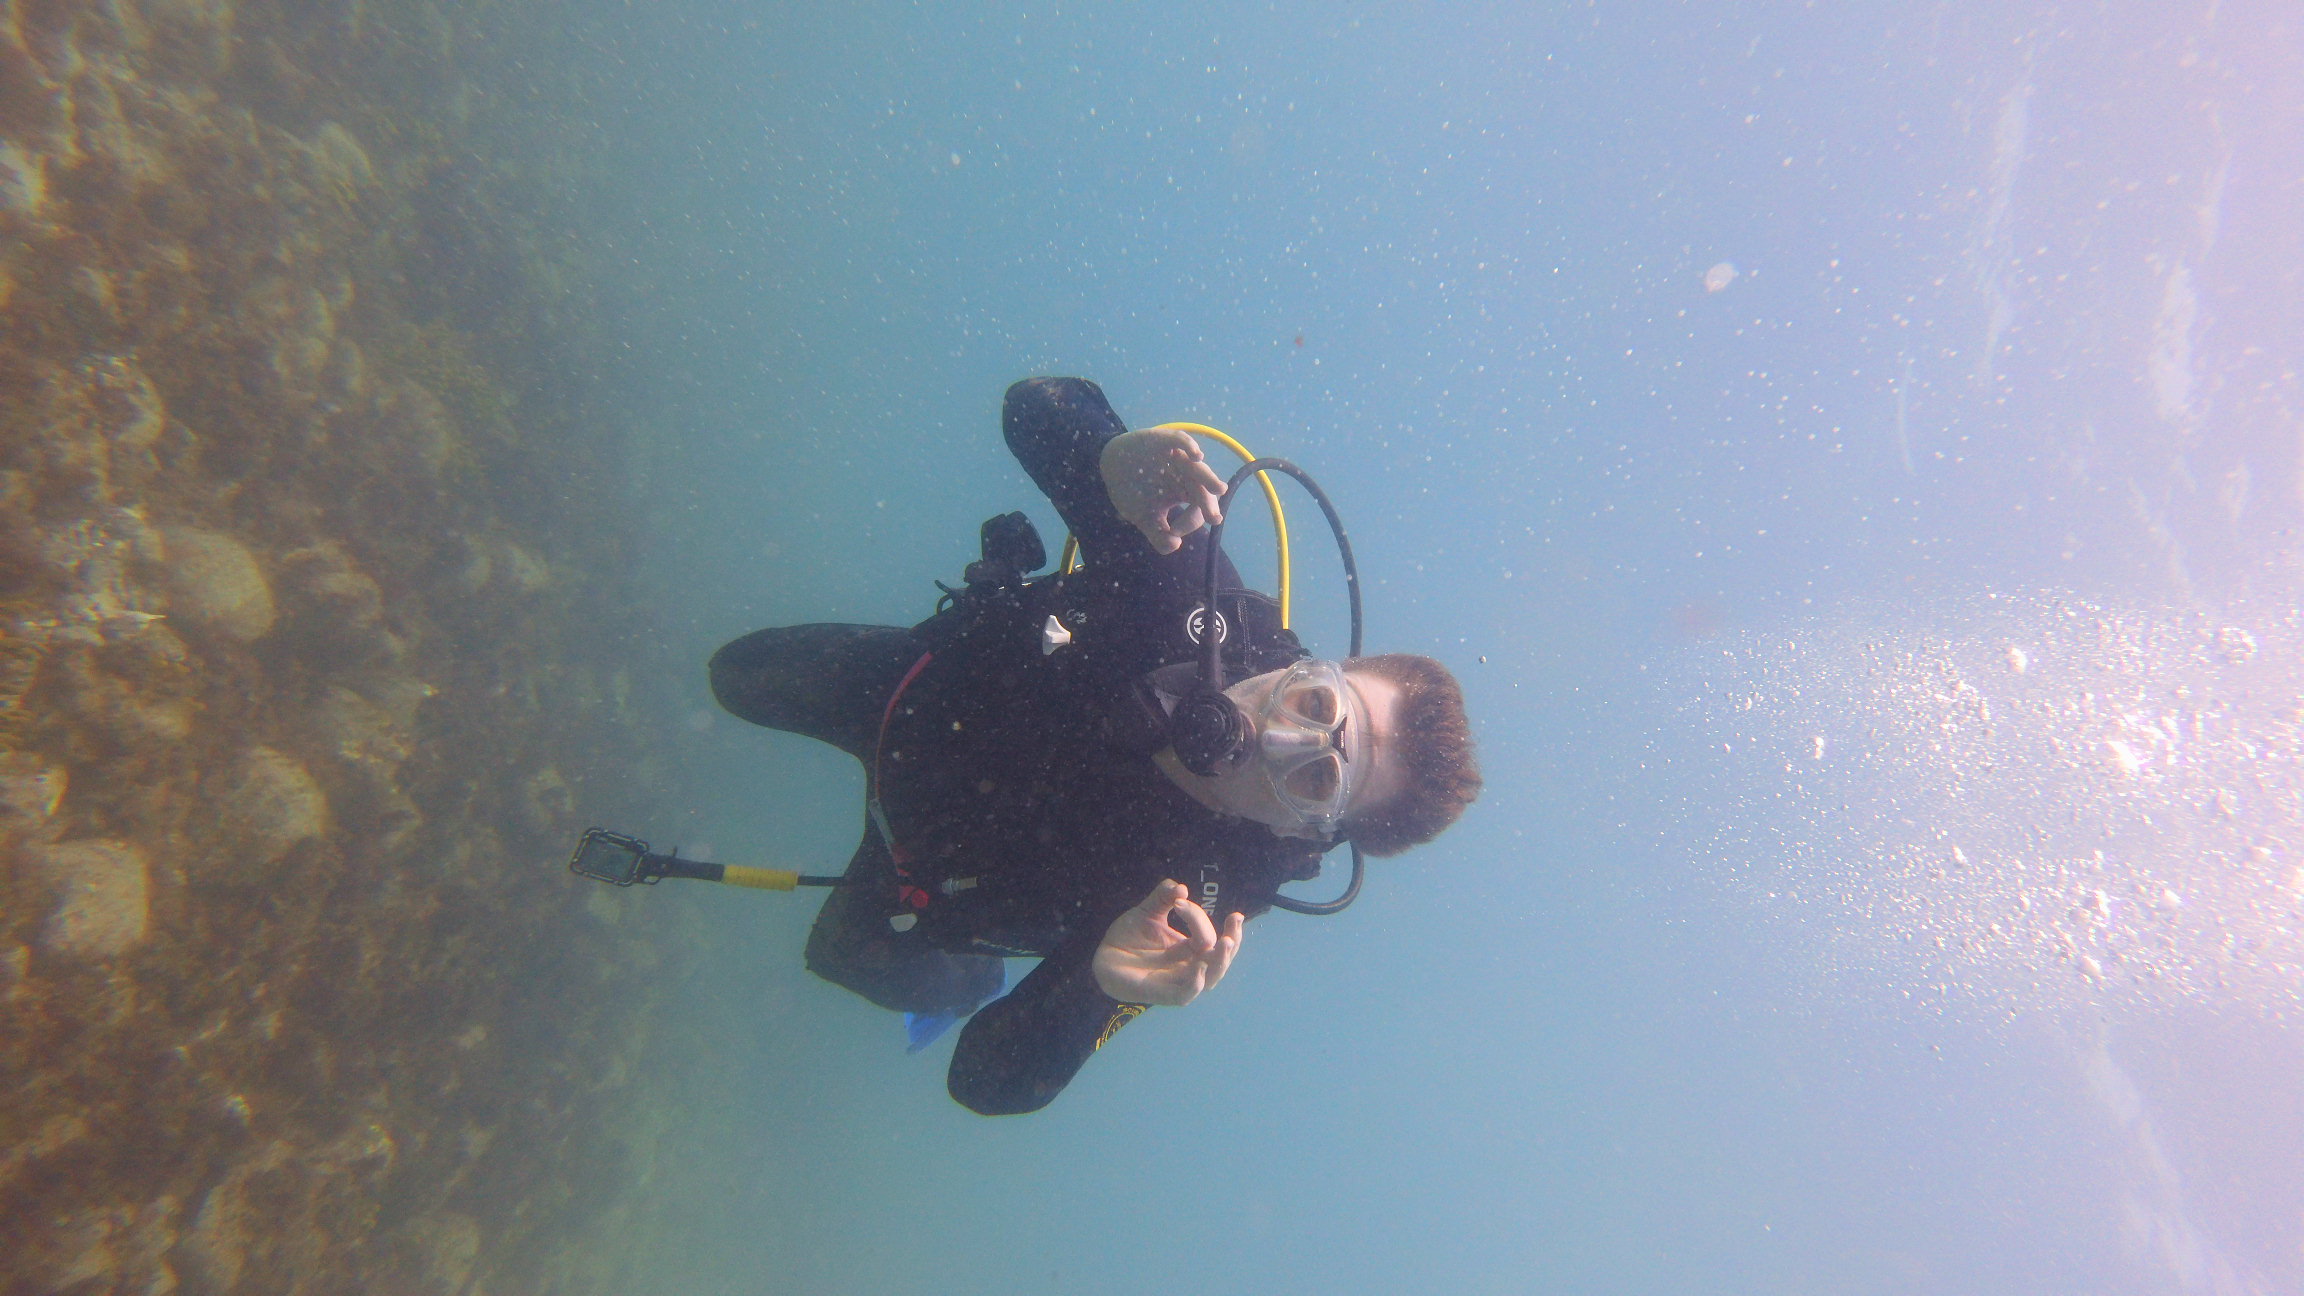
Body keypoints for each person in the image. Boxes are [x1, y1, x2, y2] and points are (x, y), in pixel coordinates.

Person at [709, 377, 1480, 1114]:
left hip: (921, 878)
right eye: (1316, 705)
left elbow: (983, 1085)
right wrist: (1104, 460)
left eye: (1317, 779)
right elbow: (1033, 407)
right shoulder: (1187, 591)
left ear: (1305, 833)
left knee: (838, 956)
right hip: (910, 699)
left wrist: (1094, 993)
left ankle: (966, 981)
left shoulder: (1193, 906)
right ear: (1310, 666)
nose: (1276, 736)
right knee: (735, 676)